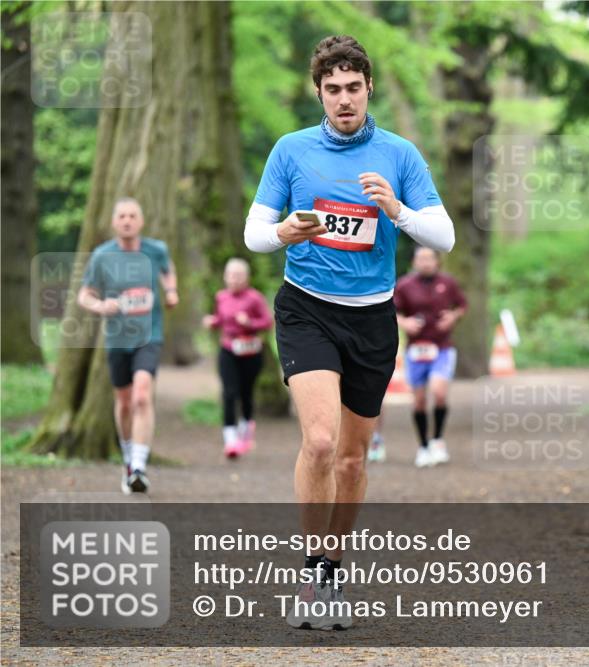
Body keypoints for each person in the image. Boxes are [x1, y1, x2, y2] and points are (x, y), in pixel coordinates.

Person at [244, 35, 454, 631]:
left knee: (353, 460)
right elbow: (253, 233)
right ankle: (313, 575)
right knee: (318, 442)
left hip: (372, 318)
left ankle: (335, 568)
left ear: (369, 90)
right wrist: (284, 232)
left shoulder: (399, 155)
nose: (343, 99)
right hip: (306, 308)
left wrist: (398, 210)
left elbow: (444, 238)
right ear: (319, 93)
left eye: (353, 88)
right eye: (332, 89)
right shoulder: (290, 151)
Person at [78, 197, 178, 494]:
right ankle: (127, 456)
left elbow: (168, 269)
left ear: (141, 221)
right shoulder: (102, 255)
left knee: (142, 396)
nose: (127, 220)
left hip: (150, 335)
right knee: (123, 403)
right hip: (118, 338)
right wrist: (100, 306)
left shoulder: (156, 250)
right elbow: (84, 294)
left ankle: (139, 466)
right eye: (121, 216)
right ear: (113, 222)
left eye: (132, 215)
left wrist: (171, 291)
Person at [394, 247, 467, 468]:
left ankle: (438, 440)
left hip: (442, 346)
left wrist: (453, 317)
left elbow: (462, 305)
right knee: (419, 400)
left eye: (429, 259)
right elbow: (392, 310)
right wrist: (404, 323)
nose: (425, 263)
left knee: (439, 392)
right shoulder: (405, 285)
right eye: (421, 259)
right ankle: (423, 446)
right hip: (416, 350)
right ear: (414, 262)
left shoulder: (448, 283)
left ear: (437, 261)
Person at [202, 258, 273, 458]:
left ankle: (246, 429)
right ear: (225, 277)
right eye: (231, 275)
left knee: (246, 393)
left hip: (251, 351)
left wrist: (249, 322)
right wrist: (212, 322)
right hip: (228, 349)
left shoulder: (255, 298)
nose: (234, 280)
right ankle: (230, 438)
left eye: (239, 276)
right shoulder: (221, 297)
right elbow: (220, 319)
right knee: (229, 392)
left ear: (247, 278)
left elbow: (267, 322)